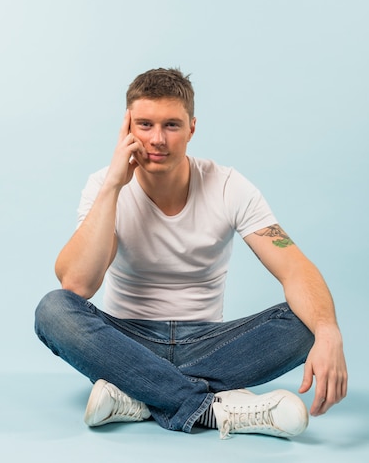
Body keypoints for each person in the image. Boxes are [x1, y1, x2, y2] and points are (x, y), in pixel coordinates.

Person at [35, 67, 347, 439]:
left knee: (307, 323)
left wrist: (328, 330)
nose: (157, 139)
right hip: (125, 341)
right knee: (53, 309)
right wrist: (114, 187)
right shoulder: (105, 186)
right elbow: (77, 283)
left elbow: (295, 269)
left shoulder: (229, 186)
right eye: (145, 125)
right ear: (127, 128)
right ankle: (210, 407)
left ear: (192, 129)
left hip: (211, 343)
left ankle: (139, 395)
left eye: (171, 125)